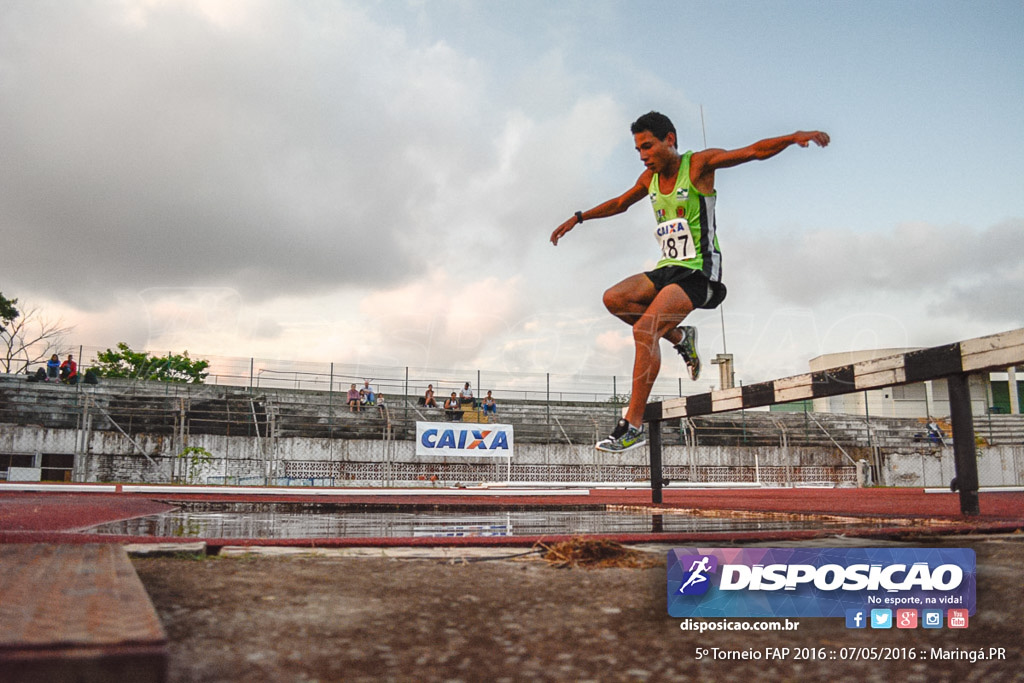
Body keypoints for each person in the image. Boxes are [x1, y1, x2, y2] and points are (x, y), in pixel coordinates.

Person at [551, 111, 829, 453]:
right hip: (668, 268)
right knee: (614, 299)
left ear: (670, 139)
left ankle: (632, 424)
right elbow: (620, 203)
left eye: (648, 146)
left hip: (699, 272)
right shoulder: (647, 179)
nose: (643, 155)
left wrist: (791, 136)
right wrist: (579, 218)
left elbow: (753, 151)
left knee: (643, 331)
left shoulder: (698, 165)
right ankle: (681, 337)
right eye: (638, 150)